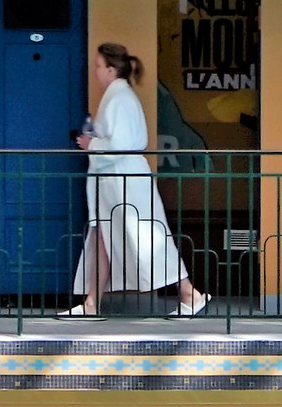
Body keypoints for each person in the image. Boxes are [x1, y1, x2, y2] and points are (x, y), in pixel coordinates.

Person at [61, 42, 209, 318]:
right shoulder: (121, 97)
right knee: (107, 237)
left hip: (122, 181)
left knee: (145, 238)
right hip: (119, 181)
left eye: (98, 66)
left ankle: (190, 293)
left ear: (111, 69)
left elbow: (120, 144)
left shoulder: (118, 99)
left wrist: (91, 144)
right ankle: (92, 303)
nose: (95, 71)